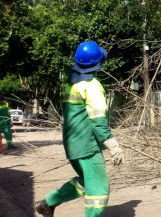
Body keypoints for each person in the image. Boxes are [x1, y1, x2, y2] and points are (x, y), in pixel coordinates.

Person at [35, 40, 124, 217]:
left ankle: (48, 203)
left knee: (85, 181)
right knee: (98, 189)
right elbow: (98, 121)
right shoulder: (92, 86)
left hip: (72, 143)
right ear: (98, 63)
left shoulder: (72, 82)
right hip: (87, 146)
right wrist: (112, 145)